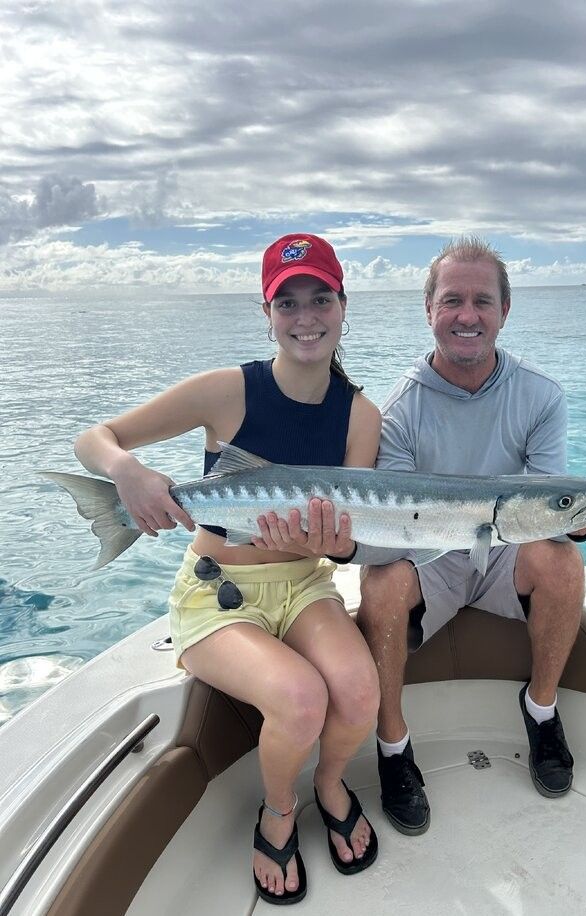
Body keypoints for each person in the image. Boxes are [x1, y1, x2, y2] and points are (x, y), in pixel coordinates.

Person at [73, 233, 382, 905]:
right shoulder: (224, 390)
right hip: (220, 595)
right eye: (288, 302)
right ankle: (277, 812)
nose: (306, 317)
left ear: (342, 305)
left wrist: (335, 545)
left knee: (360, 693)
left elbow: (351, 540)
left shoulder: (361, 415)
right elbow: (94, 438)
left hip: (305, 585)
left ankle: (329, 783)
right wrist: (128, 474)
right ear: (267, 313)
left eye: (320, 298)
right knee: (302, 699)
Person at [356, 237, 586, 835]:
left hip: (502, 554)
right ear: (429, 310)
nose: (468, 315)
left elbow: (548, 505)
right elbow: (391, 525)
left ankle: (541, 712)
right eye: (452, 300)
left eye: (482, 301)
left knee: (563, 561)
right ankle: (392, 745)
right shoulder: (401, 411)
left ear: (504, 311)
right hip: (430, 557)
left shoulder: (540, 396)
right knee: (380, 581)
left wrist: (576, 521)